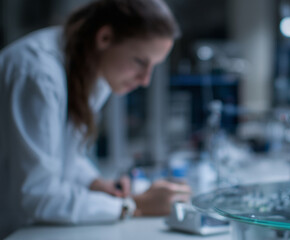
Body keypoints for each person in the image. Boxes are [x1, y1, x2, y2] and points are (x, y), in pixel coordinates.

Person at [0, 0, 190, 237]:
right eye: (140, 62)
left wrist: (95, 183)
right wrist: (134, 206)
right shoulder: (37, 74)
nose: (145, 80)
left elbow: (60, 153)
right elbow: (37, 194)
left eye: (153, 66)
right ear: (105, 38)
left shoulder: (89, 71)